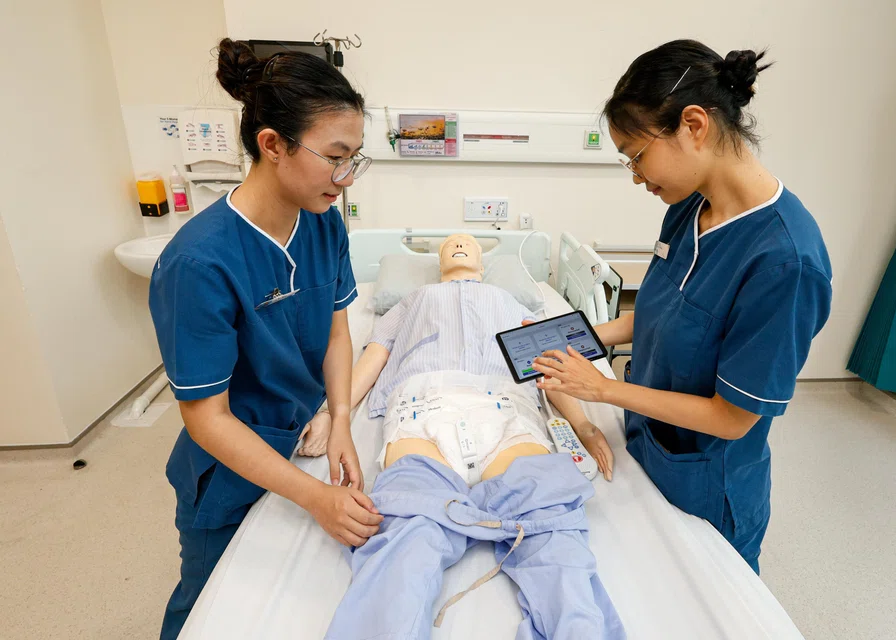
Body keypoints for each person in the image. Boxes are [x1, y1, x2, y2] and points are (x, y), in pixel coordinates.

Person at [529, 40, 832, 574]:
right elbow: (657, 315)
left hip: (705, 481)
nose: (636, 177)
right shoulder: (689, 207)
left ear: (694, 125)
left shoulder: (785, 262)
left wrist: (600, 389)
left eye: (637, 156)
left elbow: (733, 418)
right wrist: (575, 337)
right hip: (647, 441)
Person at [149, 39, 382, 639]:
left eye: (355, 157)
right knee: (208, 609)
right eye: (334, 157)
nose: (345, 178)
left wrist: (340, 418)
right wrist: (315, 497)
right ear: (272, 144)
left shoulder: (324, 223)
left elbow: (336, 328)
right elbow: (207, 418)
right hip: (228, 466)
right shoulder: (200, 262)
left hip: (297, 437)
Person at [302, 234, 624, 639]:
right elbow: (373, 358)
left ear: (482, 263)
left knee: (551, 531)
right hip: (423, 409)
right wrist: (333, 415)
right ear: (438, 263)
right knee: (407, 539)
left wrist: (584, 425)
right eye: (449, 244)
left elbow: (546, 368)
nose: (458, 244)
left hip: (506, 408)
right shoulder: (410, 301)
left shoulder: (513, 303)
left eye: (467, 243)